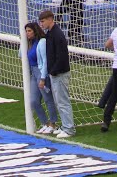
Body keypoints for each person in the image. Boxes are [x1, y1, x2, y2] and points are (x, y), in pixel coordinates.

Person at [39, 10, 76, 138]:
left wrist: (53, 71)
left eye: (43, 21)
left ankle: (69, 129)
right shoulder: (51, 33)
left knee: (63, 102)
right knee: (59, 102)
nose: (41, 24)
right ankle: (65, 126)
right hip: (56, 73)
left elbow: (61, 57)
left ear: (50, 19)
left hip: (60, 74)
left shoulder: (57, 35)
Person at [20, 22, 58, 134]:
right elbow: (20, 55)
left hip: (41, 73)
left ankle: (53, 123)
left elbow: (45, 61)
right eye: (26, 31)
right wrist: (23, 42)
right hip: (33, 73)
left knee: (47, 99)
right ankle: (45, 123)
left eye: (29, 31)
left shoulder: (41, 42)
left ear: (35, 31)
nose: (27, 33)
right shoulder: (29, 43)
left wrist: (42, 77)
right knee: (33, 101)